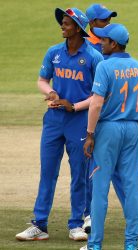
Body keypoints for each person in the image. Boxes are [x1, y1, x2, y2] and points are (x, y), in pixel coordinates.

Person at [15, 7, 103, 242]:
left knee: (79, 175)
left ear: (78, 28)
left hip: (79, 122)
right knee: (47, 172)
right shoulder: (53, 52)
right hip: (54, 121)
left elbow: (99, 95)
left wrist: (74, 106)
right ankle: (39, 224)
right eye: (62, 22)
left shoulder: (94, 57)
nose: (62, 26)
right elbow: (42, 80)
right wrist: (52, 93)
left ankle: (76, 224)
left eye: (66, 23)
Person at [82, 3, 138, 235]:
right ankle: (132, 242)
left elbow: (96, 104)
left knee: (100, 185)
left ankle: (95, 242)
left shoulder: (105, 66)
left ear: (113, 44)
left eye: (104, 40)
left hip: (108, 129)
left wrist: (90, 134)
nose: (101, 42)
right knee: (132, 184)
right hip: (132, 127)